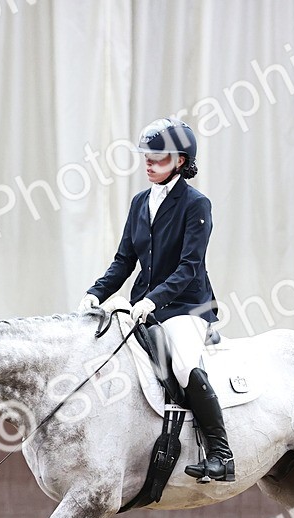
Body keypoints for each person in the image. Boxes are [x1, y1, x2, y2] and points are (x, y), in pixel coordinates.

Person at [77, 117, 235, 483]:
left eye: (158, 158)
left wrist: (153, 299)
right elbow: (124, 261)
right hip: (143, 308)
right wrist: (95, 293)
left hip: (186, 307)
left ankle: (221, 453)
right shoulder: (140, 202)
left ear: (180, 161)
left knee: (183, 366)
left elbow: (190, 266)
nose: (148, 163)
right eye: (146, 156)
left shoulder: (196, 204)